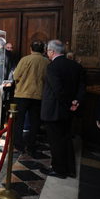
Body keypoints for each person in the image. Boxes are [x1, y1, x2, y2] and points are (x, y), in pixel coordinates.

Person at [40, 39, 85, 179]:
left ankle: (59, 170)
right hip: (69, 109)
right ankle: (70, 169)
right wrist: (76, 101)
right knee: (66, 138)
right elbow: (82, 86)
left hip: (54, 110)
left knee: (55, 141)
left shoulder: (53, 66)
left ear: (52, 51)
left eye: (48, 51)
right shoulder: (75, 65)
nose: (47, 53)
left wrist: (68, 103)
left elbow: (58, 90)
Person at [13, 40, 50, 156]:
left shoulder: (25, 59)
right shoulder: (46, 62)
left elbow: (15, 75)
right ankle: (31, 145)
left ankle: (18, 145)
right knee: (35, 122)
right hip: (38, 95)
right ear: (43, 50)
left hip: (22, 94)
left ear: (31, 49)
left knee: (19, 121)